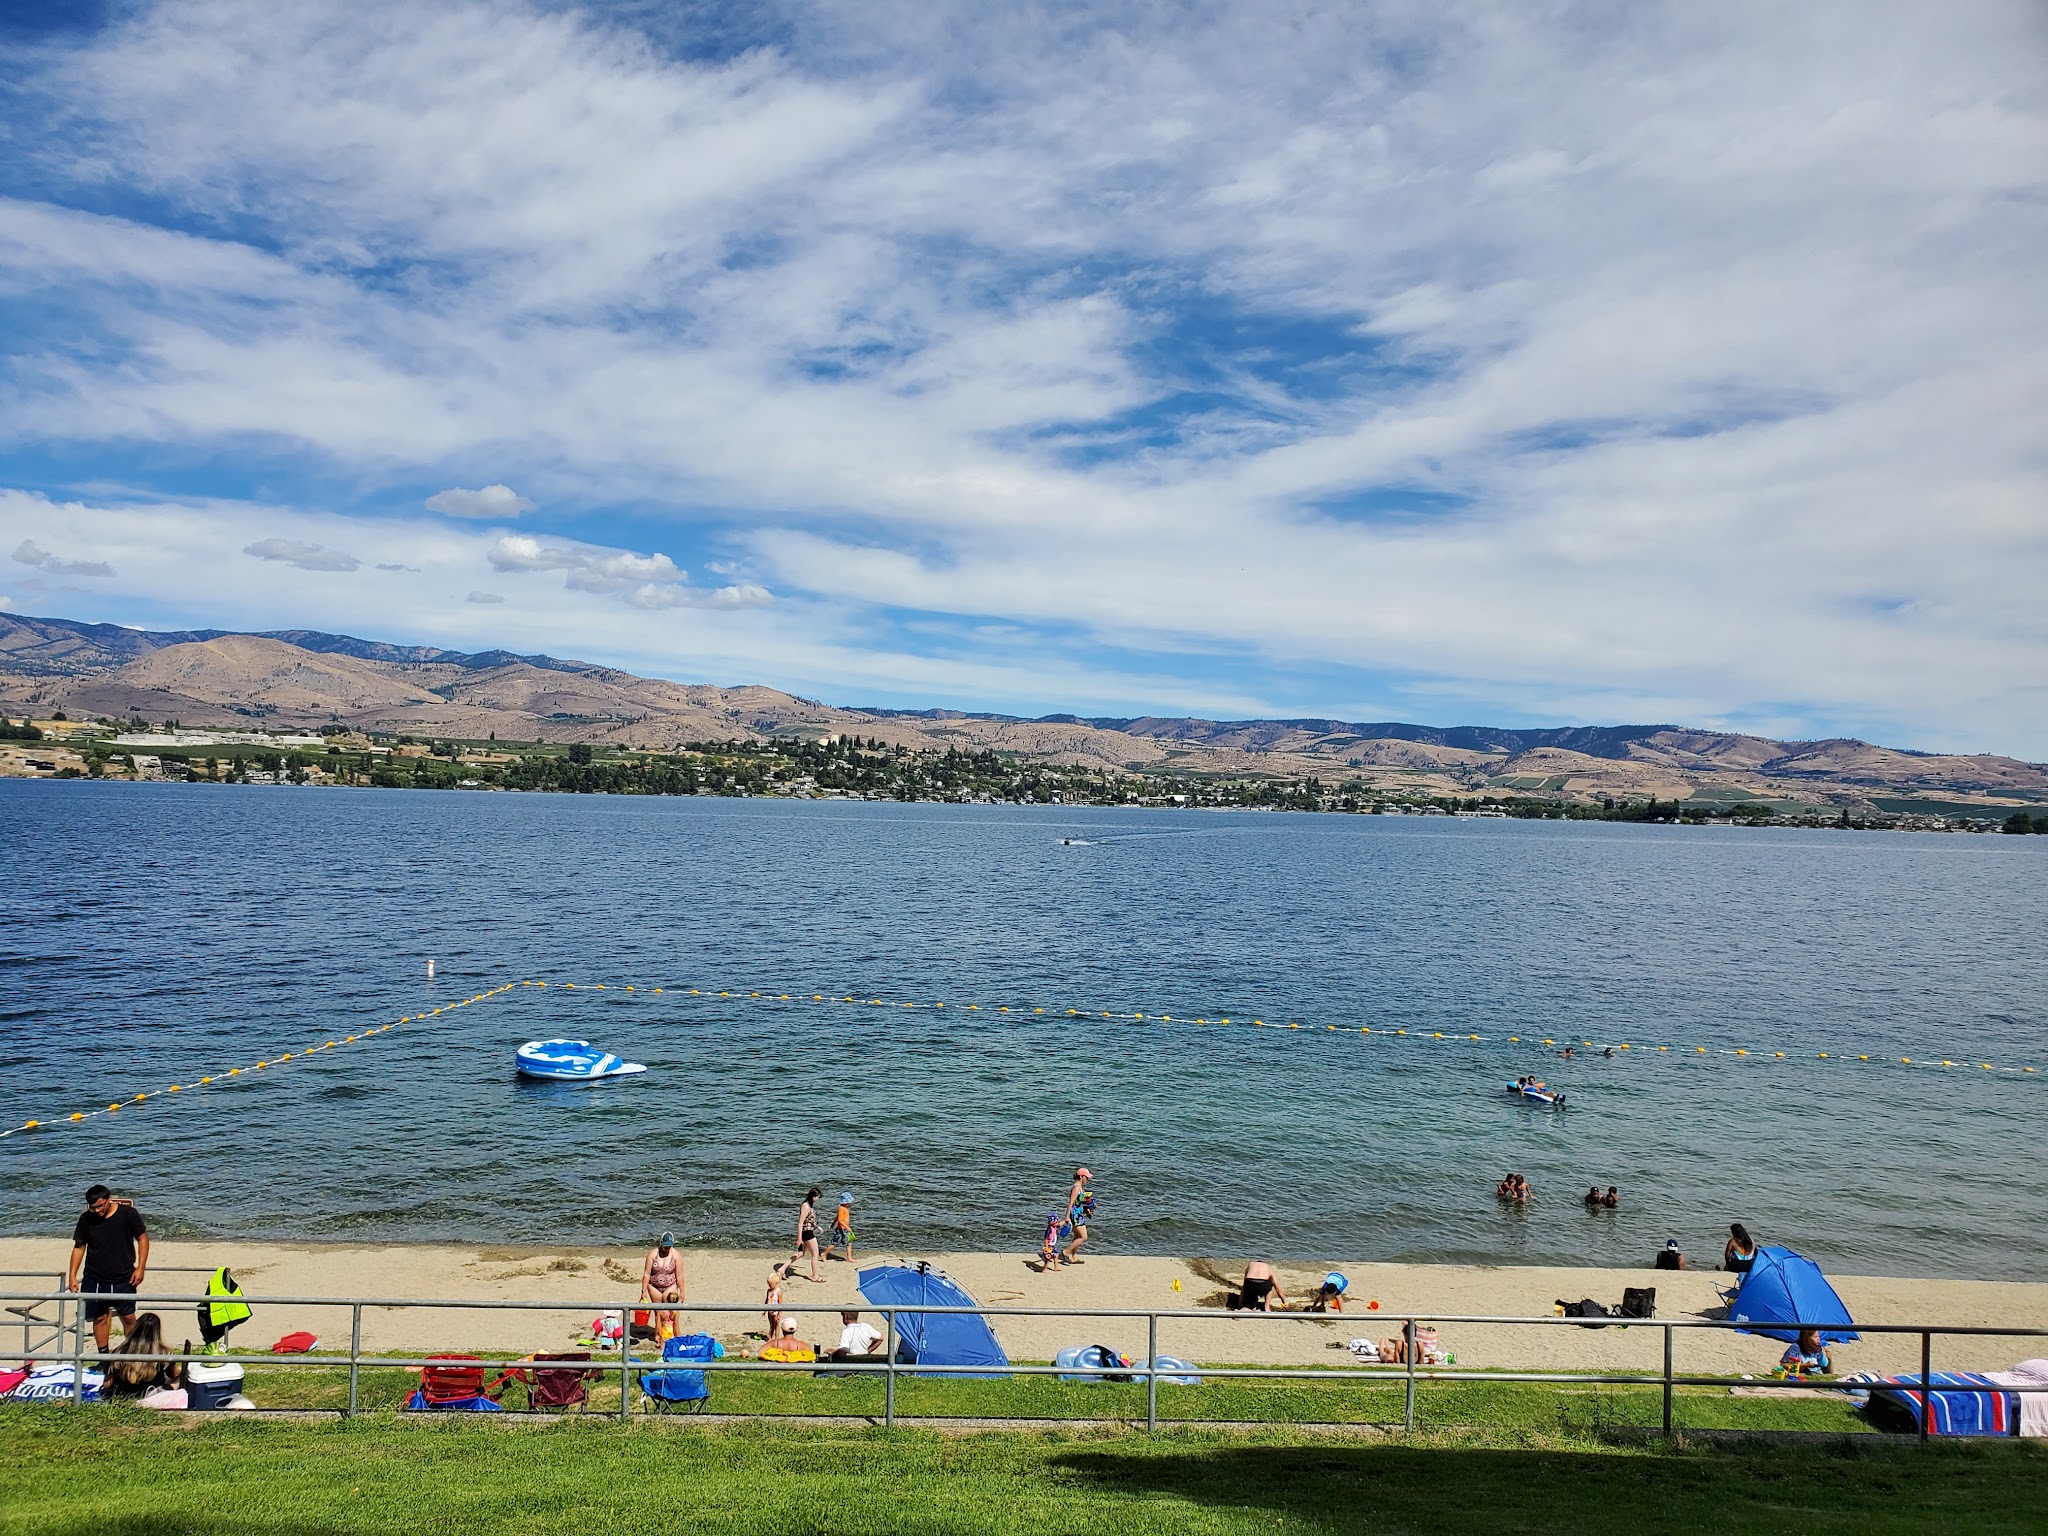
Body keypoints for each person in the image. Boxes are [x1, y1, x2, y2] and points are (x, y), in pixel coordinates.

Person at [69, 1185, 148, 1352]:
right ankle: (103, 1357)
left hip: (124, 1276)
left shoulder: (128, 1215)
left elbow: (143, 1239)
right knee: (99, 1318)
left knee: (128, 1317)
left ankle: (134, 1354)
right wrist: (72, 1276)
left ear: (109, 1199)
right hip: (94, 1277)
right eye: (93, 1207)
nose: (97, 1210)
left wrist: (140, 1267)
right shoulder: (85, 1219)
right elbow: (79, 1247)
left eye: (100, 1206)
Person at [101, 1311, 184, 1404]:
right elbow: (173, 1374)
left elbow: (107, 1384)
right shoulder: (164, 1353)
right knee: (181, 1377)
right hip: (153, 1398)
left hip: (122, 1397)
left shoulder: (119, 1351)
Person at [640, 1231, 684, 1337]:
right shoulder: (652, 1254)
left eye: (668, 1247)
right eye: (665, 1247)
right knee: (658, 1313)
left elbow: (680, 1275)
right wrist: (643, 1291)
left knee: (672, 1311)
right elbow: (646, 1273)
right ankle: (658, 1335)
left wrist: (682, 1291)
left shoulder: (676, 1255)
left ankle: (673, 1333)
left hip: (670, 1285)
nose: (666, 1249)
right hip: (654, 1286)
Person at [1060, 1169, 1094, 1266]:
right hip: (1075, 1215)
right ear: (1081, 1176)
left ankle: (1074, 1257)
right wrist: (1067, 1217)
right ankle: (1066, 1252)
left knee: (1077, 1236)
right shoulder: (1076, 1188)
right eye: (1086, 1177)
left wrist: (1087, 1210)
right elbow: (1071, 1203)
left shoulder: (1081, 1187)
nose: (1087, 1179)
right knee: (1084, 1237)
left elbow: (1079, 1203)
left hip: (1078, 1214)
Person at [789, 1187, 823, 1283]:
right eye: (817, 1197)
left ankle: (782, 1269)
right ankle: (815, 1276)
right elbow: (800, 1223)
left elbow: (810, 1219)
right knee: (815, 1254)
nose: (818, 1199)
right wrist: (799, 1238)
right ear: (812, 1196)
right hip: (806, 1233)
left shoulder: (809, 1205)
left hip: (808, 1231)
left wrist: (817, 1227)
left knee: (801, 1254)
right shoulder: (806, 1206)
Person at [824, 1192, 856, 1264]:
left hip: (844, 1229)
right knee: (835, 1243)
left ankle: (849, 1257)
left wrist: (833, 1224)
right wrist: (847, 1227)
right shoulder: (842, 1209)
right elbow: (840, 1220)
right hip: (841, 1230)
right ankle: (824, 1254)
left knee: (849, 1243)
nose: (850, 1204)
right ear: (846, 1203)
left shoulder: (844, 1208)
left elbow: (837, 1217)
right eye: (849, 1202)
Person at [762, 1269, 786, 1338]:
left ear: (776, 1283)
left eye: (770, 1285)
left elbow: (780, 1303)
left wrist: (779, 1313)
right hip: (770, 1310)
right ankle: (770, 1337)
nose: (769, 1286)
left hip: (776, 1311)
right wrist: (764, 1310)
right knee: (771, 1324)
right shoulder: (768, 1291)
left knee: (776, 1325)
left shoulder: (778, 1292)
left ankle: (776, 1338)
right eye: (768, 1284)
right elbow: (767, 1300)